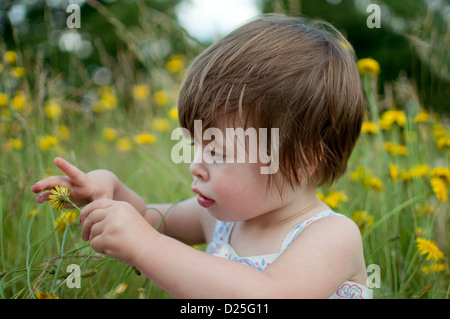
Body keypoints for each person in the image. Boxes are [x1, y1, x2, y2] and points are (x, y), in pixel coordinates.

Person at [31, 15, 372, 299]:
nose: (195, 165)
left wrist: (146, 247)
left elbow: (266, 296)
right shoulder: (221, 220)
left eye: (218, 152)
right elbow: (149, 218)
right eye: (197, 146)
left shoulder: (331, 236)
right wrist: (108, 190)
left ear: (298, 162)